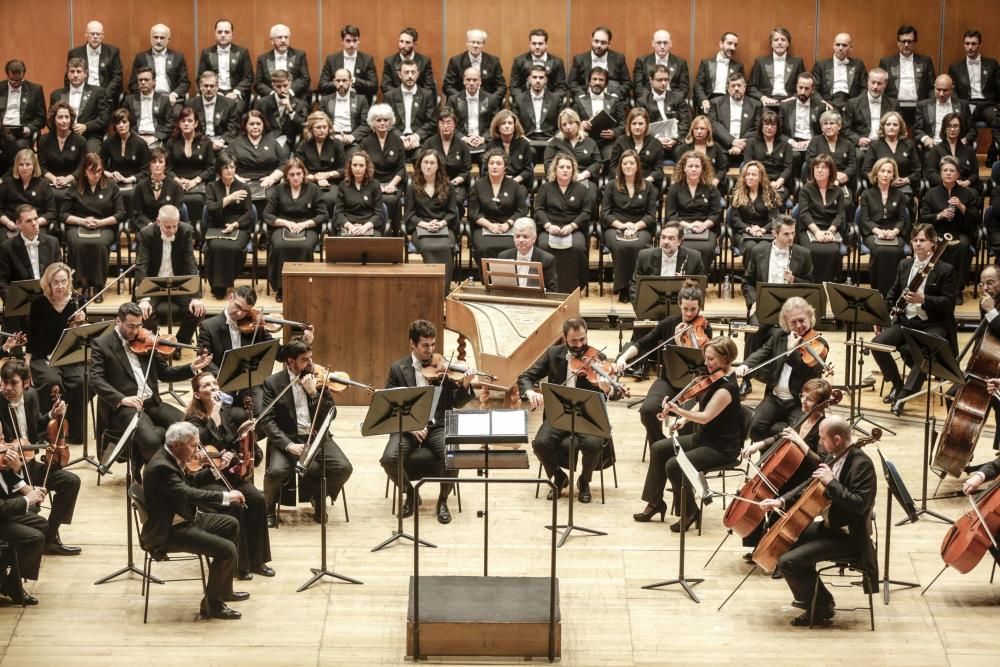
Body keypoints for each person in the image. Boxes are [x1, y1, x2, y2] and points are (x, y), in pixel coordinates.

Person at [760, 416, 878, 627]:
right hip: (829, 527)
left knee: (789, 562)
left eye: (823, 438)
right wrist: (781, 501)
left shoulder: (862, 465)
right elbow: (809, 484)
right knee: (785, 538)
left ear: (838, 438)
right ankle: (817, 597)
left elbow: (859, 505)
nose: (821, 443)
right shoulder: (835, 455)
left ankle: (820, 606)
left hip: (849, 536)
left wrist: (831, 482)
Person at [141, 421, 246, 620]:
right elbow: (188, 493)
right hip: (169, 530)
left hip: (184, 518)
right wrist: (225, 497)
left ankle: (223, 591)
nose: (197, 451)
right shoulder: (161, 467)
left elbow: (191, 483)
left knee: (231, 524)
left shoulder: (171, 459)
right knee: (226, 550)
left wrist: (216, 469)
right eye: (193, 445)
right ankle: (211, 605)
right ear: (175, 445)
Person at [641, 336, 742, 531]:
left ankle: (690, 511)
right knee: (659, 448)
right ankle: (655, 502)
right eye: (706, 357)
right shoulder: (715, 377)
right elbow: (702, 401)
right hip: (703, 438)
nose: (706, 363)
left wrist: (677, 410)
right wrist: (684, 419)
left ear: (726, 359)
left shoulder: (727, 388)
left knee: (674, 465)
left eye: (711, 359)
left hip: (720, 447)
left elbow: (705, 417)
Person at [381, 319, 477, 523]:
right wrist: (410, 426)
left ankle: (442, 501)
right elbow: (390, 405)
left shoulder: (442, 368)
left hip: (437, 426)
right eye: (425, 345)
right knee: (389, 458)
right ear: (412, 344)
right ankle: (411, 494)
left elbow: (456, 403)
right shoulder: (398, 369)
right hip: (408, 428)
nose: (430, 350)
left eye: (433, 345)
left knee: (453, 455)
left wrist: (465, 385)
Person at [90, 302, 211, 462]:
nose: (135, 331)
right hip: (127, 407)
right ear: (118, 321)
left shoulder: (146, 339)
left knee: (190, 429)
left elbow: (165, 373)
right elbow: (96, 379)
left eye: (139, 325)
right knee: (152, 440)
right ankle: (155, 476)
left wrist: (191, 368)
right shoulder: (102, 344)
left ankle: (181, 472)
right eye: (130, 326)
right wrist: (122, 399)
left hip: (153, 402)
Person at [519, 317, 620, 503]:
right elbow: (525, 377)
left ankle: (584, 481)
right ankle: (558, 476)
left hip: (588, 416)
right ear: (565, 338)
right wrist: (529, 392)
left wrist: (608, 389)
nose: (580, 345)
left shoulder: (598, 358)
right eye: (574, 341)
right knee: (540, 444)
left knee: (594, 444)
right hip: (559, 414)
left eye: (583, 339)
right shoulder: (553, 354)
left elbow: (616, 393)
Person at [185, 372, 273, 580]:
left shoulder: (224, 412)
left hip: (225, 473)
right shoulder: (193, 420)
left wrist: (242, 438)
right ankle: (239, 566)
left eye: (215, 383)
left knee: (258, 499)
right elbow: (204, 445)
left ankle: (258, 560)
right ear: (198, 395)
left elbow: (229, 443)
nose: (214, 387)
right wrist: (214, 418)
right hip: (205, 479)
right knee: (235, 505)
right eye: (207, 385)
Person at [259, 337, 352, 527]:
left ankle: (318, 498)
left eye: (311, 357)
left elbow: (331, 414)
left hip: (316, 437)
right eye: (305, 359)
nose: (311, 363)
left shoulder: (317, 378)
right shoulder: (273, 383)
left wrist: (313, 394)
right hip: (288, 439)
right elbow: (267, 421)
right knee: (276, 471)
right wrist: (289, 445)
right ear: (290, 362)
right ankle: (268, 508)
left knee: (343, 468)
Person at [870, 224, 957, 416]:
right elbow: (893, 293)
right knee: (876, 344)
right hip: (906, 321)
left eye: (922, 240)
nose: (918, 244)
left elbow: (949, 303)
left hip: (933, 324)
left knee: (927, 351)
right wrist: (882, 317)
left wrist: (923, 299)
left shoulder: (946, 269)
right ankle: (897, 384)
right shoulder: (904, 264)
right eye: (915, 240)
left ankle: (904, 395)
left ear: (933, 243)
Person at [739, 378, 831, 551]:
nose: (803, 401)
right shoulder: (801, 417)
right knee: (759, 497)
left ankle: (775, 549)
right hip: (788, 472)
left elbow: (821, 461)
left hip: (804, 479)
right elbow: (781, 436)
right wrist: (758, 445)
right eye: (802, 396)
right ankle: (758, 544)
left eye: (809, 399)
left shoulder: (823, 427)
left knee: (775, 501)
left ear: (821, 404)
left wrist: (800, 442)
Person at [0, 359, 81, 555]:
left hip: (30, 464)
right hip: (8, 470)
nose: (7, 388)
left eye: (13, 383)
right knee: (31, 507)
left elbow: (36, 427)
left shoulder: (31, 396)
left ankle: (50, 537)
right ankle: (26, 544)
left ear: (26, 383)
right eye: (4, 382)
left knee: (71, 481)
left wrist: (52, 415)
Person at [616, 285, 712, 449]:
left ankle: (685, 455)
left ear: (700, 307)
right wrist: (623, 357)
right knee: (647, 411)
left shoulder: (705, 327)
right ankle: (661, 447)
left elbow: (701, 359)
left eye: (694, 309)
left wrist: (677, 342)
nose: (689, 314)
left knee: (689, 421)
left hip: (693, 385)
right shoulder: (669, 324)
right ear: (679, 304)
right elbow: (643, 343)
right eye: (685, 309)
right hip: (668, 380)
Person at [736, 297, 828, 441]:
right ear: (786, 323)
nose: (799, 325)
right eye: (793, 322)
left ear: (810, 317)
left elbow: (807, 373)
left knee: (800, 432)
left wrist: (791, 352)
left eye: (802, 320)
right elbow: (763, 352)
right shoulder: (779, 336)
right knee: (754, 427)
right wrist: (745, 364)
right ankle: (766, 459)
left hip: (799, 401)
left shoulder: (819, 345)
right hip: (775, 398)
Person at [740, 216, 815, 381]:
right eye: (786, 234)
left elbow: (811, 285)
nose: (791, 238)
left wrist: (794, 280)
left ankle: (781, 378)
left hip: (791, 310)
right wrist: (754, 301)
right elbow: (747, 283)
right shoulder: (758, 252)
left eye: (793, 233)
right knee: (754, 326)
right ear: (775, 233)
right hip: (765, 306)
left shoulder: (803, 254)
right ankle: (747, 378)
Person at [25, 263, 85, 443]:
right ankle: (48, 432)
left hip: (69, 355)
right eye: (55, 282)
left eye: (63, 282)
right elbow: (32, 335)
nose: (60, 286)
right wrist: (27, 362)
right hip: (43, 356)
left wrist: (80, 324)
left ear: (69, 282)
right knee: (52, 381)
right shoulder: (38, 303)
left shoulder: (77, 300)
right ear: (48, 284)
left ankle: (74, 432)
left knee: (81, 381)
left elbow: (79, 337)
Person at [133, 204, 205, 345]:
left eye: (175, 226)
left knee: (199, 310)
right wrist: (144, 299)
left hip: (178, 283)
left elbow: (191, 263)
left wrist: (196, 297)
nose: (172, 230)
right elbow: (142, 266)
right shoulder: (146, 233)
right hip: (153, 283)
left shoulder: (185, 231)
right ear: (158, 222)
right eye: (167, 227)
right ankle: (157, 344)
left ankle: (179, 343)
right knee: (143, 312)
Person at [61, 152, 125, 297]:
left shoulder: (111, 186)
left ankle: (98, 287)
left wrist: (100, 222)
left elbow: (120, 213)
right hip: (78, 225)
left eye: (99, 171)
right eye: (92, 171)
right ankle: (80, 284)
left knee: (100, 244)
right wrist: (82, 221)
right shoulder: (75, 186)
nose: (96, 175)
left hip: (104, 226)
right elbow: (63, 214)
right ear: (84, 171)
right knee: (77, 243)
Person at [263, 157, 326, 301]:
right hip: (284, 226)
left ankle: (305, 285)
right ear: (286, 176)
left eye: (298, 173)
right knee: (279, 245)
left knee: (304, 246)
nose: (296, 177)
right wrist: (285, 222)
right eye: (292, 175)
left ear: (304, 174)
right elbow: (267, 214)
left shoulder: (313, 189)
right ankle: (282, 287)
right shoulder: (279, 189)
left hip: (307, 226)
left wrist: (305, 224)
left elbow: (323, 215)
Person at [601, 149, 658, 302]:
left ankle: (638, 285)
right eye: (625, 163)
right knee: (621, 245)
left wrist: (635, 227)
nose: (628, 166)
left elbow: (651, 216)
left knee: (637, 245)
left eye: (631, 163)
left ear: (638, 165)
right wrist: (623, 226)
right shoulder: (612, 185)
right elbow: (605, 214)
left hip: (641, 226)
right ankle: (624, 288)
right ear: (620, 166)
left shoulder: (648, 186)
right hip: (616, 226)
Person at [921, 155, 979, 300]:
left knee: (963, 246)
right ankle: (935, 287)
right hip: (937, 231)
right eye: (945, 170)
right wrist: (939, 215)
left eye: (952, 170)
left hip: (960, 231)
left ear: (958, 174)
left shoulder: (968, 193)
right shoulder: (931, 193)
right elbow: (922, 218)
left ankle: (956, 290)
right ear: (940, 174)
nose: (948, 173)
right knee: (936, 244)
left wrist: (961, 206)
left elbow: (976, 218)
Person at [534, 152, 592, 294]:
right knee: (543, 245)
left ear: (573, 170)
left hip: (573, 227)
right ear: (555, 169)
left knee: (578, 247)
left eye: (568, 167)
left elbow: (586, 212)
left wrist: (572, 226)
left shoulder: (581, 189)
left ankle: (575, 286)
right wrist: (548, 226)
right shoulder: (546, 188)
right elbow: (539, 210)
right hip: (550, 227)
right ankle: (547, 285)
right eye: (561, 167)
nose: (565, 170)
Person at [404, 149, 458, 293]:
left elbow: (453, 213)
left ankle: (443, 290)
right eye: (425, 162)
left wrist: (440, 223)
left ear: (438, 166)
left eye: (432, 163)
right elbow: (409, 215)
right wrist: (425, 225)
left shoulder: (448, 186)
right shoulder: (412, 187)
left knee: (445, 247)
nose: (428, 166)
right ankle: (433, 287)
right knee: (428, 247)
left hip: (443, 226)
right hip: (421, 227)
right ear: (420, 165)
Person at [201, 154, 251, 299]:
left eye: (232, 167)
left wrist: (235, 224)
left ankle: (228, 282)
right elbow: (211, 208)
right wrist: (230, 198)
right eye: (225, 167)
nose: (229, 170)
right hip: (217, 226)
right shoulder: (211, 186)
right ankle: (218, 286)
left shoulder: (243, 187)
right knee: (215, 246)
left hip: (238, 226)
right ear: (219, 170)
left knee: (233, 247)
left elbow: (249, 214)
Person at [665, 151, 722, 272]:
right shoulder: (675, 188)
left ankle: (700, 281)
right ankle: (681, 280)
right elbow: (671, 215)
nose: (694, 169)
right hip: (682, 227)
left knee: (706, 249)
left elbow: (716, 213)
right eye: (690, 166)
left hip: (706, 228)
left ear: (702, 168)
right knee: (681, 246)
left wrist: (704, 225)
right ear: (684, 168)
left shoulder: (711, 188)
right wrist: (689, 225)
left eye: (697, 166)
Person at [859, 157, 909, 295]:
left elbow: (902, 219)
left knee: (894, 250)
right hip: (873, 232)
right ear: (876, 173)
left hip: (894, 232)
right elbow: (865, 219)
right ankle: (877, 291)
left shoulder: (900, 195)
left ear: (893, 175)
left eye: (889, 171)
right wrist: (877, 231)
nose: (886, 174)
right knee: (880, 250)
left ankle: (894, 292)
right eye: (883, 171)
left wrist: (895, 231)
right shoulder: (866, 194)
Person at [469, 149, 527, 262]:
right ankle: (487, 279)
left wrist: (508, 224)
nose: (494, 166)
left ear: (505, 167)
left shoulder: (514, 186)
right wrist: (490, 226)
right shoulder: (478, 185)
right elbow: (473, 212)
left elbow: (521, 211)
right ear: (487, 165)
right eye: (491, 163)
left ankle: (510, 279)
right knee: (483, 248)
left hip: (508, 225)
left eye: (498, 163)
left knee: (513, 247)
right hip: (484, 226)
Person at [796, 154, 846, 284]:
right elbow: (804, 214)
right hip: (810, 229)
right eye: (816, 167)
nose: (819, 170)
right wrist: (817, 232)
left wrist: (831, 231)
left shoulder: (838, 191)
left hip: (830, 229)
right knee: (811, 250)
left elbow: (840, 215)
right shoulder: (806, 190)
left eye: (823, 167)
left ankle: (829, 285)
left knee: (834, 250)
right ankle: (812, 285)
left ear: (830, 171)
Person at [629, 222, 706, 305]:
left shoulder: (694, 257)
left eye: (671, 238)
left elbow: (699, 288)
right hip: (651, 305)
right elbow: (635, 285)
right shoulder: (644, 256)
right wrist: (639, 306)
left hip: (682, 307)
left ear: (680, 241)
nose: (665, 242)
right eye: (663, 237)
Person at [358, 105, 406, 235]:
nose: (382, 123)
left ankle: (395, 232)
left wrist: (392, 184)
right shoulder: (366, 142)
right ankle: (377, 230)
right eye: (378, 120)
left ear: (390, 121)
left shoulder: (397, 141)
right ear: (372, 122)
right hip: (372, 182)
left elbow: (401, 168)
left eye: (385, 120)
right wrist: (376, 185)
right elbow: (363, 168)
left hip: (393, 182)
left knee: (392, 199)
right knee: (380, 198)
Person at [227, 109, 287, 211]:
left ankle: (267, 225)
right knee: (241, 198)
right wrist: (235, 177)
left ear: (263, 125)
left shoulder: (272, 142)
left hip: (268, 182)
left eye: (258, 123)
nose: (255, 127)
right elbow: (224, 163)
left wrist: (272, 178)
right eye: (251, 124)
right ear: (245, 126)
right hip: (241, 181)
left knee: (271, 198)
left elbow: (284, 163)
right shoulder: (235, 143)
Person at [0, 205, 61, 303]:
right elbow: (2, 281)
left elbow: (59, 274)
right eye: (28, 221)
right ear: (18, 224)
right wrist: (11, 302)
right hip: (20, 301)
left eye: (36, 219)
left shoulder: (53, 243)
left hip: (48, 300)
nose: (34, 223)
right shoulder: (7, 247)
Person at [165, 107, 215, 226]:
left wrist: (195, 181)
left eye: (190, 121)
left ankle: (199, 230)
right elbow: (167, 168)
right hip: (177, 181)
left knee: (197, 199)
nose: (186, 123)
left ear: (196, 123)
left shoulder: (205, 142)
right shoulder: (172, 142)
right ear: (179, 123)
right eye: (183, 121)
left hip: (198, 182)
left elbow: (211, 168)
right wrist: (177, 181)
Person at [948, 30, 999, 148]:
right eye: (967, 43)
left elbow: (998, 87)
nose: (970, 47)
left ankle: (994, 149)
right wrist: (960, 105)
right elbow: (953, 91)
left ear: (980, 45)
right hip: (968, 103)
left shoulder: (992, 64)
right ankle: (968, 149)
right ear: (963, 44)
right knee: (962, 120)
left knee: (998, 120)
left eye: (973, 44)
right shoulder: (955, 67)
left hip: (988, 105)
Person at [50, 57, 110, 153]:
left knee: (92, 156)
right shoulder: (56, 94)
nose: (75, 75)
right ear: (67, 73)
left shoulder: (98, 92)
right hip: (63, 134)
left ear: (86, 73)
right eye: (72, 71)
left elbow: (104, 118)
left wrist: (86, 126)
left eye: (79, 71)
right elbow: (50, 119)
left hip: (90, 135)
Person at [879, 25, 935, 124]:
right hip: (894, 106)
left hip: (918, 106)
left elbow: (932, 87)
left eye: (909, 41)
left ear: (915, 42)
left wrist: (930, 106)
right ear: (897, 42)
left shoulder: (926, 61)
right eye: (903, 41)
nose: (906, 45)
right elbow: (881, 87)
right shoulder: (886, 62)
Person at [196, 19, 253, 114]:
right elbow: (200, 78)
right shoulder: (207, 53)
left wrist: (235, 92)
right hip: (213, 92)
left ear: (232, 34)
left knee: (236, 111)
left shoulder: (242, 52)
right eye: (220, 32)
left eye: (226, 32)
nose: (223, 35)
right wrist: (214, 92)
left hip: (235, 92)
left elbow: (248, 77)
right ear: (215, 34)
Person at [127, 24, 190, 109]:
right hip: (147, 99)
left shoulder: (178, 57)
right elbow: (133, 84)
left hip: (171, 99)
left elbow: (184, 83)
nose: (158, 41)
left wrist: (175, 94)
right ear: (151, 38)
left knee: (177, 114)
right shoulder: (141, 58)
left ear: (168, 39)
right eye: (155, 37)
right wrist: (145, 95)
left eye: (162, 38)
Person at [572, 67, 626, 163]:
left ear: (606, 84)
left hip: (608, 143)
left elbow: (624, 123)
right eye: (594, 79)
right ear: (589, 82)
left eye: (601, 80)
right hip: (585, 141)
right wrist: (580, 125)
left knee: (612, 158)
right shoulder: (579, 100)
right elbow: (571, 122)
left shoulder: (615, 100)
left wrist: (614, 133)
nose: (597, 82)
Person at [860, 111, 921, 196]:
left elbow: (917, 170)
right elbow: (866, 171)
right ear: (883, 127)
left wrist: (906, 180)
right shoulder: (875, 145)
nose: (891, 127)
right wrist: (885, 181)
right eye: (888, 124)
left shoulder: (909, 145)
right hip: (880, 188)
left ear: (900, 127)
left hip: (903, 188)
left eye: (895, 125)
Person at [730, 159, 783, 258]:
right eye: (748, 174)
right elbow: (736, 220)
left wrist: (762, 230)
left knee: (764, 248)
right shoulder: (737, 193)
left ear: (760, 177)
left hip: (765, 232)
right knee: (750, 248)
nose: (750, 177)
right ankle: (750, 274)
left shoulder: (770, 194)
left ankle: (760, 274)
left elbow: (774, 219)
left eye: (754, 174)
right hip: (744, 231)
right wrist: (749, 229)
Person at [295, 110, 344, 215]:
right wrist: (315, 178)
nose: (322, 130)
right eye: (318, 127)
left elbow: (343, 169)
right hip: (309, 181)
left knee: (331, 199)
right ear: (311, 129)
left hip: (331, 182)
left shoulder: (336, 143)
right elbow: (298, 168)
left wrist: (327, 175)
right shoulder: (303, 145)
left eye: (325, 127)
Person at [38, 103, 86, 210]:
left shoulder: (80, 140)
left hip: (73, 182)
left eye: (67, 117)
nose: (64, 121)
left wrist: (68, 179)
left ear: (71, 119)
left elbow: (82, 167)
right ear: (53, 120)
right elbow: (41, 166)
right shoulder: (44, 139)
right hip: (50, 182)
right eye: (60, 117)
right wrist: (54, 179)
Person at [384, 59, 438, 155]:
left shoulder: (427, 95)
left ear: (417, 75)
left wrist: (416, 136)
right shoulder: (389, 96)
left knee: (423, 159)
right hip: (396, 140)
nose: (410, 76)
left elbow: (432, 122)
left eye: (413, 72)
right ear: (399, 74)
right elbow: (386, 121)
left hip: (420, 141)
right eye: (406, 72)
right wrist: (400, 137)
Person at [635, 64, 690, 157]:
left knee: (683, 151)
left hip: (675, 141)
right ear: (651, 80)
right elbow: (642, 126)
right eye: (660, 80)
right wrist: (658, 139)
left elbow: (685, 122)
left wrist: (675, 139)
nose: (664, 83)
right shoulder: (642, 101)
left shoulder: (678, 98)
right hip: (653, 141)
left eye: (666, 80)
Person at [0, 151, 56, 238]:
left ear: (34, 166)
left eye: (28, 164)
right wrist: (7, 222)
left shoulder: (44, 184)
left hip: (36, 225)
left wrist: (34, 222)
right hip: (12, 226)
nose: (24, 168)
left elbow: (51, 213)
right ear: (16, 166)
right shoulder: (7, 183)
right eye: (21, 164)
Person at [709, 73, 762, 162]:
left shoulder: (756, 105)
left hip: (747, 148)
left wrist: (741, 145)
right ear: (728, 89)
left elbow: (757, 128)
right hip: (722, 148)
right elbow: (714, 125)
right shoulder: (715, 103)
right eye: (733, 86)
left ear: (744, 87)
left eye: (739, 85)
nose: (736, 88)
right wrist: (732, 141)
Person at [318, 25, 378, 103]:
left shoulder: (367, 59)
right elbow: (322, 86)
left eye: (355, 40)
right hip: (336, 101)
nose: (352, 44)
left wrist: (354, 81)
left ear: (359, 41)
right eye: (348, 41)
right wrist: (340, 82)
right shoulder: (331, 59)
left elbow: (374, 86)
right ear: (342, 41)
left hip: (360, 103)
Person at [424, 107, 471, 207]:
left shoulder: (463, 145)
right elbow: (422, 165)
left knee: (456, 200)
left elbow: (466, 170)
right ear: (438, 124)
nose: (445, 126)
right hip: (433, 182)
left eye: (449, 123)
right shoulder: (429, 143)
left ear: (454, 124)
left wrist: (455, 181)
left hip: (455, 183)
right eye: (442, 122)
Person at [66, 20, 123, 102]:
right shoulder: (75, 53)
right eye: (92, 34)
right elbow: (69, 77)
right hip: (81, 96)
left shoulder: (113, 52)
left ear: (102, 36)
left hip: (105, 96)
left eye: (98, 34)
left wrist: (105, 95)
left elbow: (117, 77)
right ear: (86, 34)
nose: (95, 37)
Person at [543, 108, 602, 188]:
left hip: (584, 179)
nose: (568, 127)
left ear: (578, 123)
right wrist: (563, 175)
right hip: (561, 181)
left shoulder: (590, 142)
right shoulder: (555, 142)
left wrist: (584, 174)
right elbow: (548, 164)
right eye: (564, 124)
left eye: (571, 123)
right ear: (560, 127)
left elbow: (597, 162)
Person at [609, 107, 664, 191]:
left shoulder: (656, 143)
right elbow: (613, 166)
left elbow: (659, 170)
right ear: (629, 125)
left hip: (647, 182)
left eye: (640, 123)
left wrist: (647, 181)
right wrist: (620, 180)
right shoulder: (620, 141)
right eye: (634, 123)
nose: (637, 127)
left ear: (646, 124)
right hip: (623, 182)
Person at [448, 68, 500, 157]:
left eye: (475, 80)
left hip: (484, 142)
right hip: (461, 142)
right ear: (464, 81)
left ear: (480, 81)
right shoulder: (453, 100)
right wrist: (465, 139)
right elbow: (449, 124)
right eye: (468, 80)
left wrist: (483, 138)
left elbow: (496, 124)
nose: (471, 83)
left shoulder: (491, 99)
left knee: (487, 160)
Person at [567, 26, 631, 99]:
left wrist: (615, 96)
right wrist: (582, 96)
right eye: (596, 41)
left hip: (612, 100)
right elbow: (572, 82)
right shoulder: (579, 59)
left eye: (603, 43)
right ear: (592, 40)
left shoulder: (619, 58)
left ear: (609, 44)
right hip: (586, 100)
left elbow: (627, 82)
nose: (598, 45)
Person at [442, 29, 506, 99]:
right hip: (462, 103)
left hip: (487, 103)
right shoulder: (456, 61)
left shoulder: (494, 61)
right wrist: (462, 98)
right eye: (472, 42)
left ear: (483, 44)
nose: (475, 45)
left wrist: (492, 99)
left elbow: (501, 86)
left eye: (478, 43)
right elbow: (447, 86)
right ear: (467, 43)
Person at [842, 68, 897, 150]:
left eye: (879, 83)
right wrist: (858, 139)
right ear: (868, 82)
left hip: (885, 145)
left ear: (885, 84)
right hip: (862, 147)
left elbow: (899, 128)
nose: (875, 87)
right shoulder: (853, 103)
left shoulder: (894, 104)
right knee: (858, 156)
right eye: (873, 82)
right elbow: (845, 129)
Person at [743, 110, 793, 201]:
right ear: (761, 126)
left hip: (778, 183)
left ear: (777, 127)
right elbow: (748, 164)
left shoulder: (786, 145)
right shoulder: (751, 143)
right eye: (766, 124)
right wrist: (763, 183)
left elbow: (788, 167)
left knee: (776, 199)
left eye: (773, 125)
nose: (769, 128)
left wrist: (779, 181)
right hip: (756, 182)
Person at [811, 33, 867, 113]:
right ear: (833, 46)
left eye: (844, 45)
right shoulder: (821, 65)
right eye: (838, 45)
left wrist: (857, 103)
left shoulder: (858, 64)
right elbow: (813, 88)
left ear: (851, 47)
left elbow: (865, 88)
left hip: (851, 103)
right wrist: (822, 102)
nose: (840, 48)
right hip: (829, 102)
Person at [914, 75, 974, 149]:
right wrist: (926, 138)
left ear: (951, 89)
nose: (941, 94)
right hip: (933, 147)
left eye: (945, 90)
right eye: (938, 90)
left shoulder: (963, 105)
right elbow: (917, 129)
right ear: (934, 87)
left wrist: (964, 140)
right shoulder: (923, 105)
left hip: (957, 147)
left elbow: (972, 130)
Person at [498, 218, 558, 292]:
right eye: (517, 236)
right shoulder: (503, 257)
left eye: (525, 237)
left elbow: (552, 291)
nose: (520, 240)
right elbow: (499, 288)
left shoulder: (547, 259)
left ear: (534, 238)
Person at [185, 71, 241, 152]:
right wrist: (206, 142)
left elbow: (233, 128)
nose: (208, 89)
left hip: (221, 142)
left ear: (217, 87)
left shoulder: (230, 104)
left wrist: (221, 141)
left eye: (212, 86)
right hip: (199, 141)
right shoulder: (191, 104)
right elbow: (190, 128)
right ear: (200, 87)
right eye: (206, 86)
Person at [748, 28, 805, 106]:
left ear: (788, 43)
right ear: (771, 43)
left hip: (790, 102)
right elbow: (751, 87)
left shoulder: (797, 62)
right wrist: (763, 98)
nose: (779, 42)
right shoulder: (760, 62)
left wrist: (794, 97)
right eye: (776, 40)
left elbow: (805, 85)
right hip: (767, 102)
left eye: (783, 40)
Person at [316, 69, 371, 150]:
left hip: (353, 141)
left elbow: (366, 125)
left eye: (344, 80)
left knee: (355, 160)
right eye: (338, 81)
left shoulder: (361, 99)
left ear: (351, 81)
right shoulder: (325, 100)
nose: (341, 84)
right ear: (334, 82)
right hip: (331, 139)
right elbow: (320, 122)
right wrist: (332, 136)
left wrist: (352, 136)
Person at [333, 150, 384, 237]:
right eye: (354, 165)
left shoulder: (375, 185)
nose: (357, 169)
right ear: (350, 167)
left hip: (368, 226)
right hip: (349, 226)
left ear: (367, 167)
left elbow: (379, 213)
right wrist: (350, 226)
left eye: (361, 165)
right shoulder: (343, 185)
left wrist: (365, 227)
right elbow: (338, 213)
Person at [253, 70, 309, 148]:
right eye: (278, 86)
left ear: (290, 83)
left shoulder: (300, 104)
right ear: (273, 85)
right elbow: (255, 124)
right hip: (266, 142)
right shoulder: (262, 103)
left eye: (285, 86)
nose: (282, 90)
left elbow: (304, 127)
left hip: (289, 143)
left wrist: (290, 110)